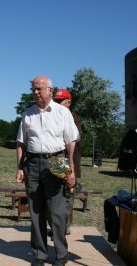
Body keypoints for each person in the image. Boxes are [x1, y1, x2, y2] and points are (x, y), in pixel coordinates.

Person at [16, 76, 80, 266]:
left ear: (50, 91)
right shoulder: (27, 114)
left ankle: (61, 254)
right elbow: (21, 143)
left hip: (57, 161)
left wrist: (72, 170)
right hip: (33, 163)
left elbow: (71, 142)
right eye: (33, 89)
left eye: (39, 89)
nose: (35, 92)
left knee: (57, 212)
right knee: (36, 212)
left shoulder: (62, 112)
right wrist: (19, 168)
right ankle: (39, 255)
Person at [54, 88, 83, 235]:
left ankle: (64, 226)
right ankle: (56, 227)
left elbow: (74, 138)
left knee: (67, 196)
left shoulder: (74, 117)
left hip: (69, 162)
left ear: (69, 102)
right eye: (56, 101)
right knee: (55, 195)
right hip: (57, 161)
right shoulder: (52, 115)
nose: (58, 103)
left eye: (61, 101)